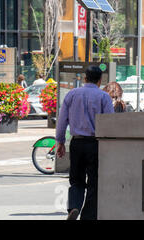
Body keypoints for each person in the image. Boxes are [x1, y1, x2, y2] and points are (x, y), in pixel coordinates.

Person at [56, 66, 115, 220]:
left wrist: (60, 142)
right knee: (95, 182)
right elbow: (110, 123)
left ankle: (74, 207)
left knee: (76, 179)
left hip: (77, 143)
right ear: (100, 80)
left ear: (85, 78)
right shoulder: (104, 97)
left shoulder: (71, 95)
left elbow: (62, 121)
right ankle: (88, 216)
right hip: (96, 144)